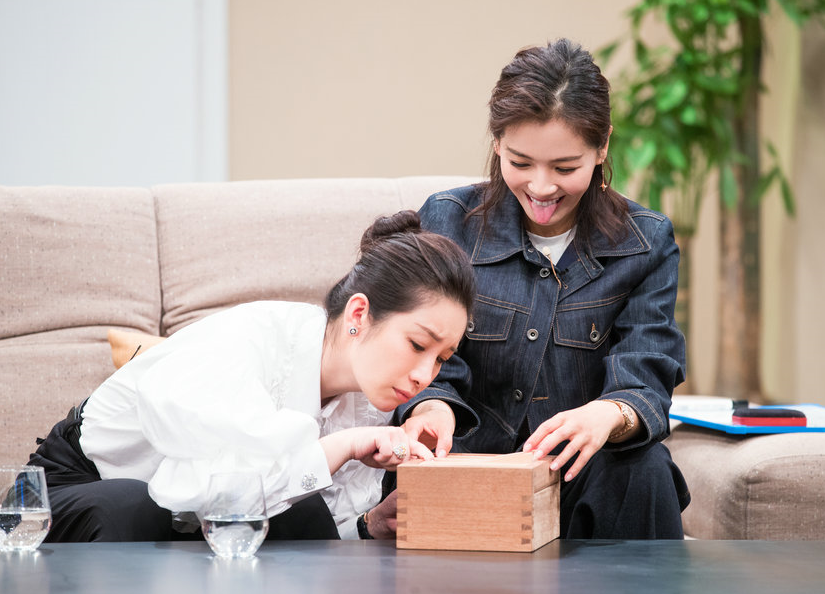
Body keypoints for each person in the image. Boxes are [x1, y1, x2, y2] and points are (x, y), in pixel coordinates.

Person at [386, 38, 690, 539]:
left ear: (603, 147)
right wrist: (430, 405)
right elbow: (422, 352)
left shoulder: (646, 242)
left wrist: (608, 414)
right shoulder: (448, 220)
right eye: (521, 162)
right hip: (465, 461)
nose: (542, 187)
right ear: (498, 142)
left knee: (645, 468)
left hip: (580, 472)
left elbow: (647, 370)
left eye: (566, 168)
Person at [27, 210, 476, 542]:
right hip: (82, 485)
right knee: (131, 508)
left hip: (177, 520)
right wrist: (341, 447)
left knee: (303, 517)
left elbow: (301, 511)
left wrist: (367, 524)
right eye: (418, 345)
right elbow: (203, 493)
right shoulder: (247, 343)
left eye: (441, 358)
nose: (424, 375)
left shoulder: (368, 401)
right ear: (359, 312)